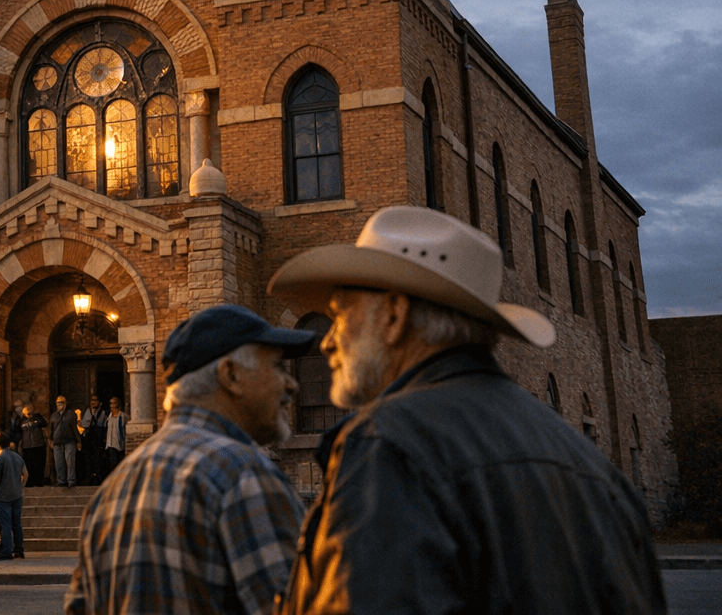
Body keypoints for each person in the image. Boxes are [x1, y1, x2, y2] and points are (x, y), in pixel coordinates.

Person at [267, 206, 667, 614]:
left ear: (393, 314)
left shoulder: (389, 446)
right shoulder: (595, 470)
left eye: (339, 316)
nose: (328, 342)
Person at [65, 304, 313, 615]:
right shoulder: (244, 473)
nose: (291, 384)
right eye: (277, 367)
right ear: (231, 375)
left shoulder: (112, 489)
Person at [0, 431, 27, 560]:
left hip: (3, 495)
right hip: (17, 494)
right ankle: (19, 548)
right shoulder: (17, 456)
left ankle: (6, 550)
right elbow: (25, 473)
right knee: (16, 523)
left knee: (5, 523)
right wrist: (21, 487)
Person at [49, 394, 81, 488]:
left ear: (65, 404)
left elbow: (74, 428)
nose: (59, 405)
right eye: (58, 403)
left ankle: (71, 480)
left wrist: (78, 441)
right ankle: (61, 480)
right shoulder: (54, 416)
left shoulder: (71, 414)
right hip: (57, 442)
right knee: (59, 462)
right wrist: (50, 440)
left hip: (69, 441)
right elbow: (51, 429)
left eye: (61, 403)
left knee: (70, 461)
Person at [79, 394, 107, 485]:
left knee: (98, 460)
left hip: (97, 440)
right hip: (88, 440)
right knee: (88, 460)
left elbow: (104, 425)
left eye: (95, 400)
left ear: (99, 402)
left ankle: (98, 479)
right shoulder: (87, 411)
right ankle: (88, 478)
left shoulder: (103, 412)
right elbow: (84, 424)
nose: (93, 402)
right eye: (92, 400)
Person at [19, 403, 48, 487]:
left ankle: (39, 482)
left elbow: (44, 424)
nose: (28, 410)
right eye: (26, 409)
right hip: (27, 447)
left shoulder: (38, 417)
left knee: (39, 465)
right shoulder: (21, 420)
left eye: (30, 408)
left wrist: (34, 416)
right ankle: (30, 482)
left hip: (39, 445)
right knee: (29, 466)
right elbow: (18, 431)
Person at [100, 396, 128, 479]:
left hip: (120, 443)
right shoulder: (109, 417)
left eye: (113, 403)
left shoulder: (123, 416)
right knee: (113, 463)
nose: (111, 405)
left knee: (120, 463)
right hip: (110, 443)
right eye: (110, 403)